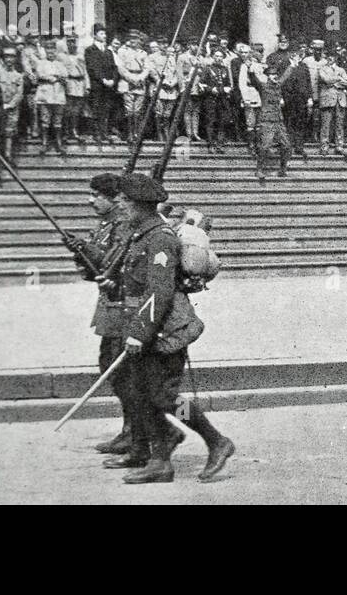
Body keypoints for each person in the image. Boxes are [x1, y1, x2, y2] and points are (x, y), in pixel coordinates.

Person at [110, 173, 235, 484]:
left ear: (141, 205)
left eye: (125, 202)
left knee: (166, 397)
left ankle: (216, 440)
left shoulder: (160, 238)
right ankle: (160, 462)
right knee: (142, 394)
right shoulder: (141, 234)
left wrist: (139, 333)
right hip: (147, 326)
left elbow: (160, 291)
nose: (121, 207)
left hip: (164, 330)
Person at [62, 173, 132, 454]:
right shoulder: (105, 224)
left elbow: (111, 264)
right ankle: (133, 430)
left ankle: (136, 432)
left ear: (113, 198)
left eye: (96, 196)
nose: (91, 201)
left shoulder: (123, 225)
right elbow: (95, 271)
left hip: (123, 308)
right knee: (110, 367)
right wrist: (80, 251)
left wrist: (85, 248)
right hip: (109, 306)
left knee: (120, 371)